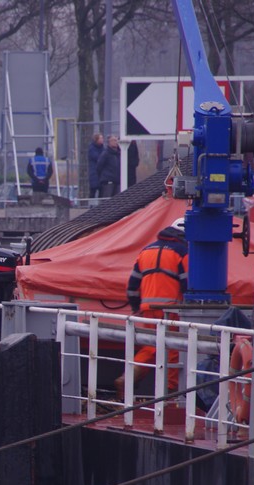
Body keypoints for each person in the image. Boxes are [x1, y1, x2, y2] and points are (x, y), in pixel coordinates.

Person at [117, 218, 189, 396]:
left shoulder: (147, 250)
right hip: (171, 309)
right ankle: (170, 391)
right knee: (173, 348)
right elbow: (188, 284)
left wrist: (136, 306)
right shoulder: (183, 252)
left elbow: (132, 285)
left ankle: (129, 376)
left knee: (151, 346)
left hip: (148, 307)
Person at [87, 133, 105, 198]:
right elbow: (98, 158)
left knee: (102, 193)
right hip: (94, 173)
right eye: (101, 138)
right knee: (92, 192)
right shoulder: (92, 149)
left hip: (101, 174)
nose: (102, 139)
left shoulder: (103, 148)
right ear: (96, 139)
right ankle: (90, 203)